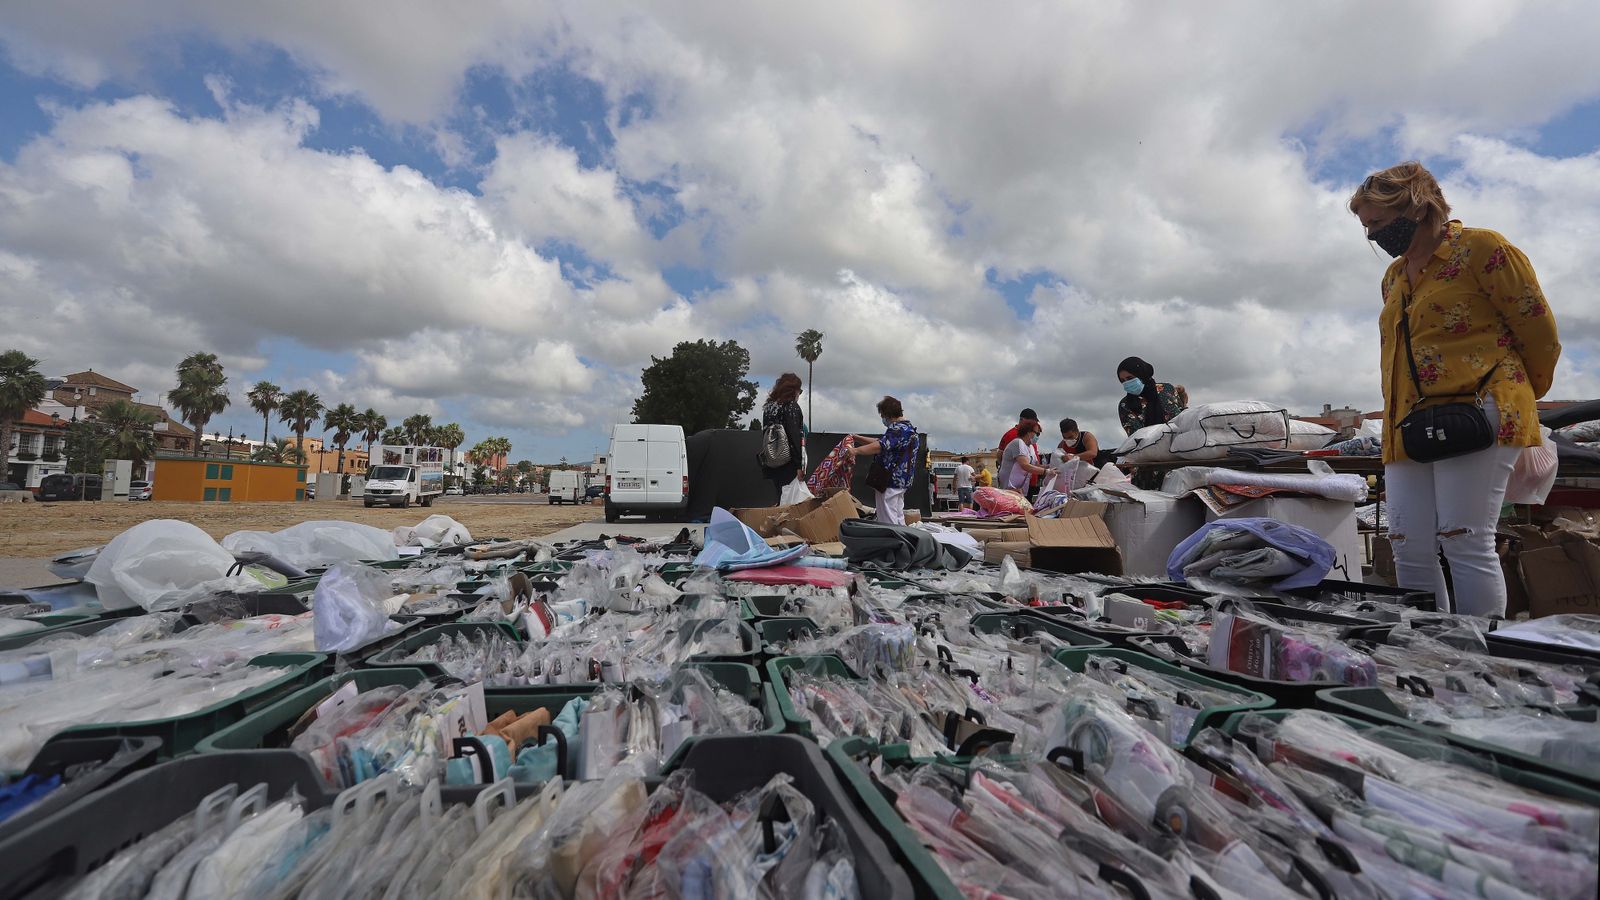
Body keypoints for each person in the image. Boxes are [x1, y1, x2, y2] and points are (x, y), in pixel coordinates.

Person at [1351, 161, 1560, 617]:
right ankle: (1431, 643)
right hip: (1408, 420)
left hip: (1480, 408)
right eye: (1366, 227)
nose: (1372, 235)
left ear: (1415, 207)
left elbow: (1539, 332)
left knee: (1464, 538)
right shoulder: (1394, 277)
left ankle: (1480, 648)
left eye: (1379, 222)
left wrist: (1519, 398)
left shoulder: (1484, 250)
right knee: (1406, 541)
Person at [851, 396, 918, 525]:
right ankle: (901, 536)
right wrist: (858, 438)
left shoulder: (898, 430)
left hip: (889, 480)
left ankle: (891, 537)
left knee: (887, 519)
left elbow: (880, 446)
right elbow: (882, 442)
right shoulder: (908, 429)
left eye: (882, 415)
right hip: (901, 481)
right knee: (898, 516)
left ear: (888, 414)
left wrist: (855, 451)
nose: (882, 419)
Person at [759, 373, 806, 503]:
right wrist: (799, 465)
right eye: (800, 391)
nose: (799, 394)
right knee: (793, 501)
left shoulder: (769, 407)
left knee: (781, 497)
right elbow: (794, 435)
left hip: (773, 461)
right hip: (788, 462)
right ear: (794, 390)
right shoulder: (791, 406)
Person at [1116, 357, 1188, 436]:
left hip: (1183, 439)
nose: (1127, 383)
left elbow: (1183, 418)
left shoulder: (1166, 389)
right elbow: (1136, 436)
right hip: (1152, 443)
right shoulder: (1125, 405)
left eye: (1130, 378)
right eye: (1122, 380)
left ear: (1141, 374)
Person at [996, 408, 1042, 494]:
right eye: (1031, 422)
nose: (1034, 424)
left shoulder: (1030, 442)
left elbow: (1035, 463)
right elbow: (1001, 455)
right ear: (1022, 420)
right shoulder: (1013, 436)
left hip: (1027, 482)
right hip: (1013, 485)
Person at [998, 420, 1050, 494]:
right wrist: (1046, 472)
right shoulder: (1018, 443)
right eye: (1037, 434)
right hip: (1008, 486)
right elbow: (1025, 465)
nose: (1038, 437)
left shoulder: (1031, 447)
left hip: (1019, 488)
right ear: (1028, 432)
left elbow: (1036, 465)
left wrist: (1050, 466)